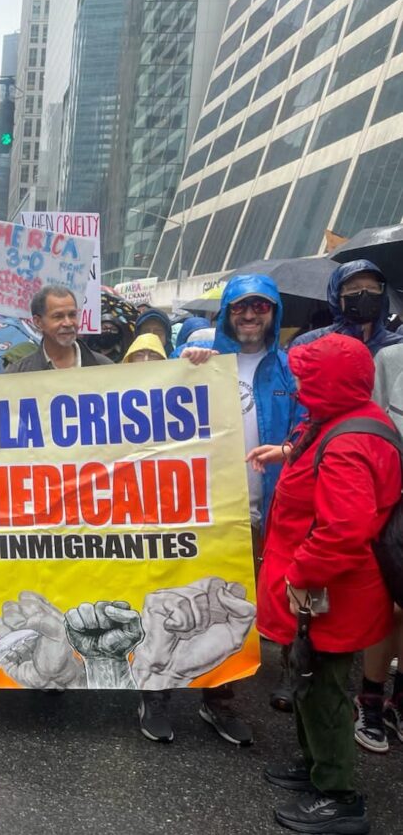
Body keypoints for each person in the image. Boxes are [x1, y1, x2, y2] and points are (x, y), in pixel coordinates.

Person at [251, 334, 401, 835]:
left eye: (306, 378)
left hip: (329, 594)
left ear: (329, 383)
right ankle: (317, 765)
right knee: (308, 677)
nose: (297, 386)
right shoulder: (339, 421)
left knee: (323, 689)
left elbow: (344, 530)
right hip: (324, 592)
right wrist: (287, 451)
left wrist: (299, 575)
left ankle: (338, 796)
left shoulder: (348, 442)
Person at [175, 274, 302, 743]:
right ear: (227, 313)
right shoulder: (199, 359)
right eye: (240, 308)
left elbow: (308, 427)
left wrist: (289, 451)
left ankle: (224, 698)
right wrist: (183, 363)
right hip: (203, 508)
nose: (249, 316)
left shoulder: (291, 370)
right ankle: (165, 695)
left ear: (274, 313)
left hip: (264, 508)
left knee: (239, 608)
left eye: (260, 307)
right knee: (182, 597)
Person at [357, 338, 403, 754]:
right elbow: (371, 424)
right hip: (394, 502)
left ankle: (398, 699)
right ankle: (370, 699)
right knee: (388, 605)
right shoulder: (392, 358)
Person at [291, 260, 403, 357]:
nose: (365, 294)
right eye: (354, 288)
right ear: (336, 297)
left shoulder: (397, 346)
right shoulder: (309, 344)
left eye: (372, 287)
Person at [5, 286, 114, 373]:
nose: (68, 323)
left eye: (72, 315)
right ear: (38, 322)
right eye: (58, 316)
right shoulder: (19, 374)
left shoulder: (105, 368)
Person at [83, 292, 137, 363]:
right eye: (104, 328)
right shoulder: (85, 352)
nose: (108, 331)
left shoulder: (126, 356)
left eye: (113, 329)